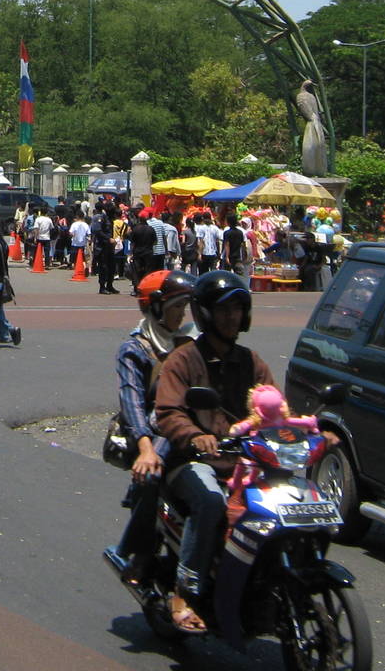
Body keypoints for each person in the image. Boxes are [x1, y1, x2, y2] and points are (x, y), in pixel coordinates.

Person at [152, 271, 274, 634]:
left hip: (243, 461)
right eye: (223, 310)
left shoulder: (252, 362)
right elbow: (168, 411)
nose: (232, 317)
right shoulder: (184, 360)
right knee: (210, 501)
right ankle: (185, 590)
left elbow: (274, 407)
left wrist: (304, 432)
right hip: (192, 461)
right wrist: (194, 435)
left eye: (238, 309)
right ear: (205, 314)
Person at [108, 270, 197, 587]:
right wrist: (145, 447)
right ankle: (137, 550)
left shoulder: (189, 341)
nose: (182, 314)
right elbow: (131, 403)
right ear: (157, 307)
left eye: (185, 307)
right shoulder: (135, 349)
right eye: (177, 307)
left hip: (190, 427)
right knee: (153, 473)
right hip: (151, 431)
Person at [126, 209, 155, 293]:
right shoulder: (151, 229)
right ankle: (146, 288)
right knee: (147, 271)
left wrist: (131, 252)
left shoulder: (136, 229)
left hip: (137, 252)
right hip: (148, 252)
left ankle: (137, 288)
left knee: (137, 271)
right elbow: (155, 241)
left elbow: (132, 241)